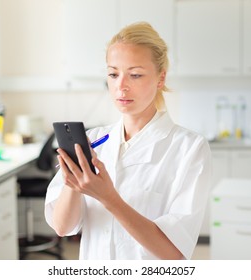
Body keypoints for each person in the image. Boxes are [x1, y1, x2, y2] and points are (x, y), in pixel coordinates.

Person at [45, 22, 212, 260]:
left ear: (160, 78)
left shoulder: (190, 149)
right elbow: (62, 227)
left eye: (135, 75)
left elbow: (175, 255)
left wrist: (108, 197)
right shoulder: (92, 142)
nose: (121, 86)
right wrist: (73, 183)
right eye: (113, 74)